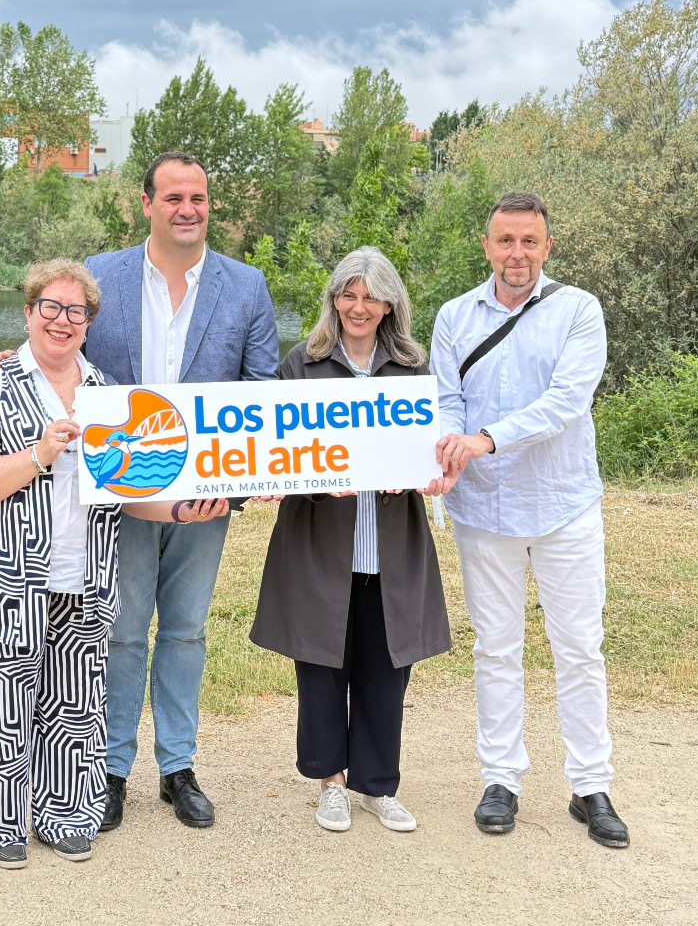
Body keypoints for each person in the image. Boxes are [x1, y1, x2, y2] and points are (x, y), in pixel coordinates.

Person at [0, 260, 230, 869]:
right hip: (6, 578)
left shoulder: (106, 395)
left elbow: (129, 488)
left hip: (88, 577)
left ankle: (65, 814)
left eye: (77, 312)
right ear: (28, 311)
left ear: (89, 323)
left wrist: (182, 512)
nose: (62, 320)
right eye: (51, 307)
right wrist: (40, 453)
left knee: (73, 708)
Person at [85, 151, 280, 832]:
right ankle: (109, 771)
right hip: (124, 491)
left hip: (206, 497)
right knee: (122, 632)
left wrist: (235, 491)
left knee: (188, 630)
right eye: (173, 198)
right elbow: (63, 356)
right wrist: (7, 361)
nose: (187, 209)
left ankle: (177, 768)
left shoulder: (246, 286)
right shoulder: (99, 277)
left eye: (197, 197)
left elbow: (262, 395)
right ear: (146, 204)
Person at [431, 191, 630, 849]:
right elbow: (444, 403)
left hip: (563, 506)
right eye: (505, 240)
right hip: (483, 511)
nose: (516, 253)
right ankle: (502, 781)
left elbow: (566, 404)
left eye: (529, 242)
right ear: (486, 246)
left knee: (578, 646)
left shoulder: (579, 311)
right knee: (495, 649)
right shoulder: (455, 317)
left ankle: (590, 786)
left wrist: (482, 440)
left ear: (548, 247)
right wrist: (444, 458)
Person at [250, 248, 456, 835]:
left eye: (371, 296)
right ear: (333, 299)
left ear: (391, 302)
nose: (358, 307)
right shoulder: (302, 364)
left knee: (385, 668)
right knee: (321, 663)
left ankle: (377, 785)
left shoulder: (413, 367)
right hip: (321, 542)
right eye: (348, 294)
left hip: (390, 545)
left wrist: (435, 472)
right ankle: (330, 783)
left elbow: (429, 449)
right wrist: (313, 484)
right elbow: (278, 451)